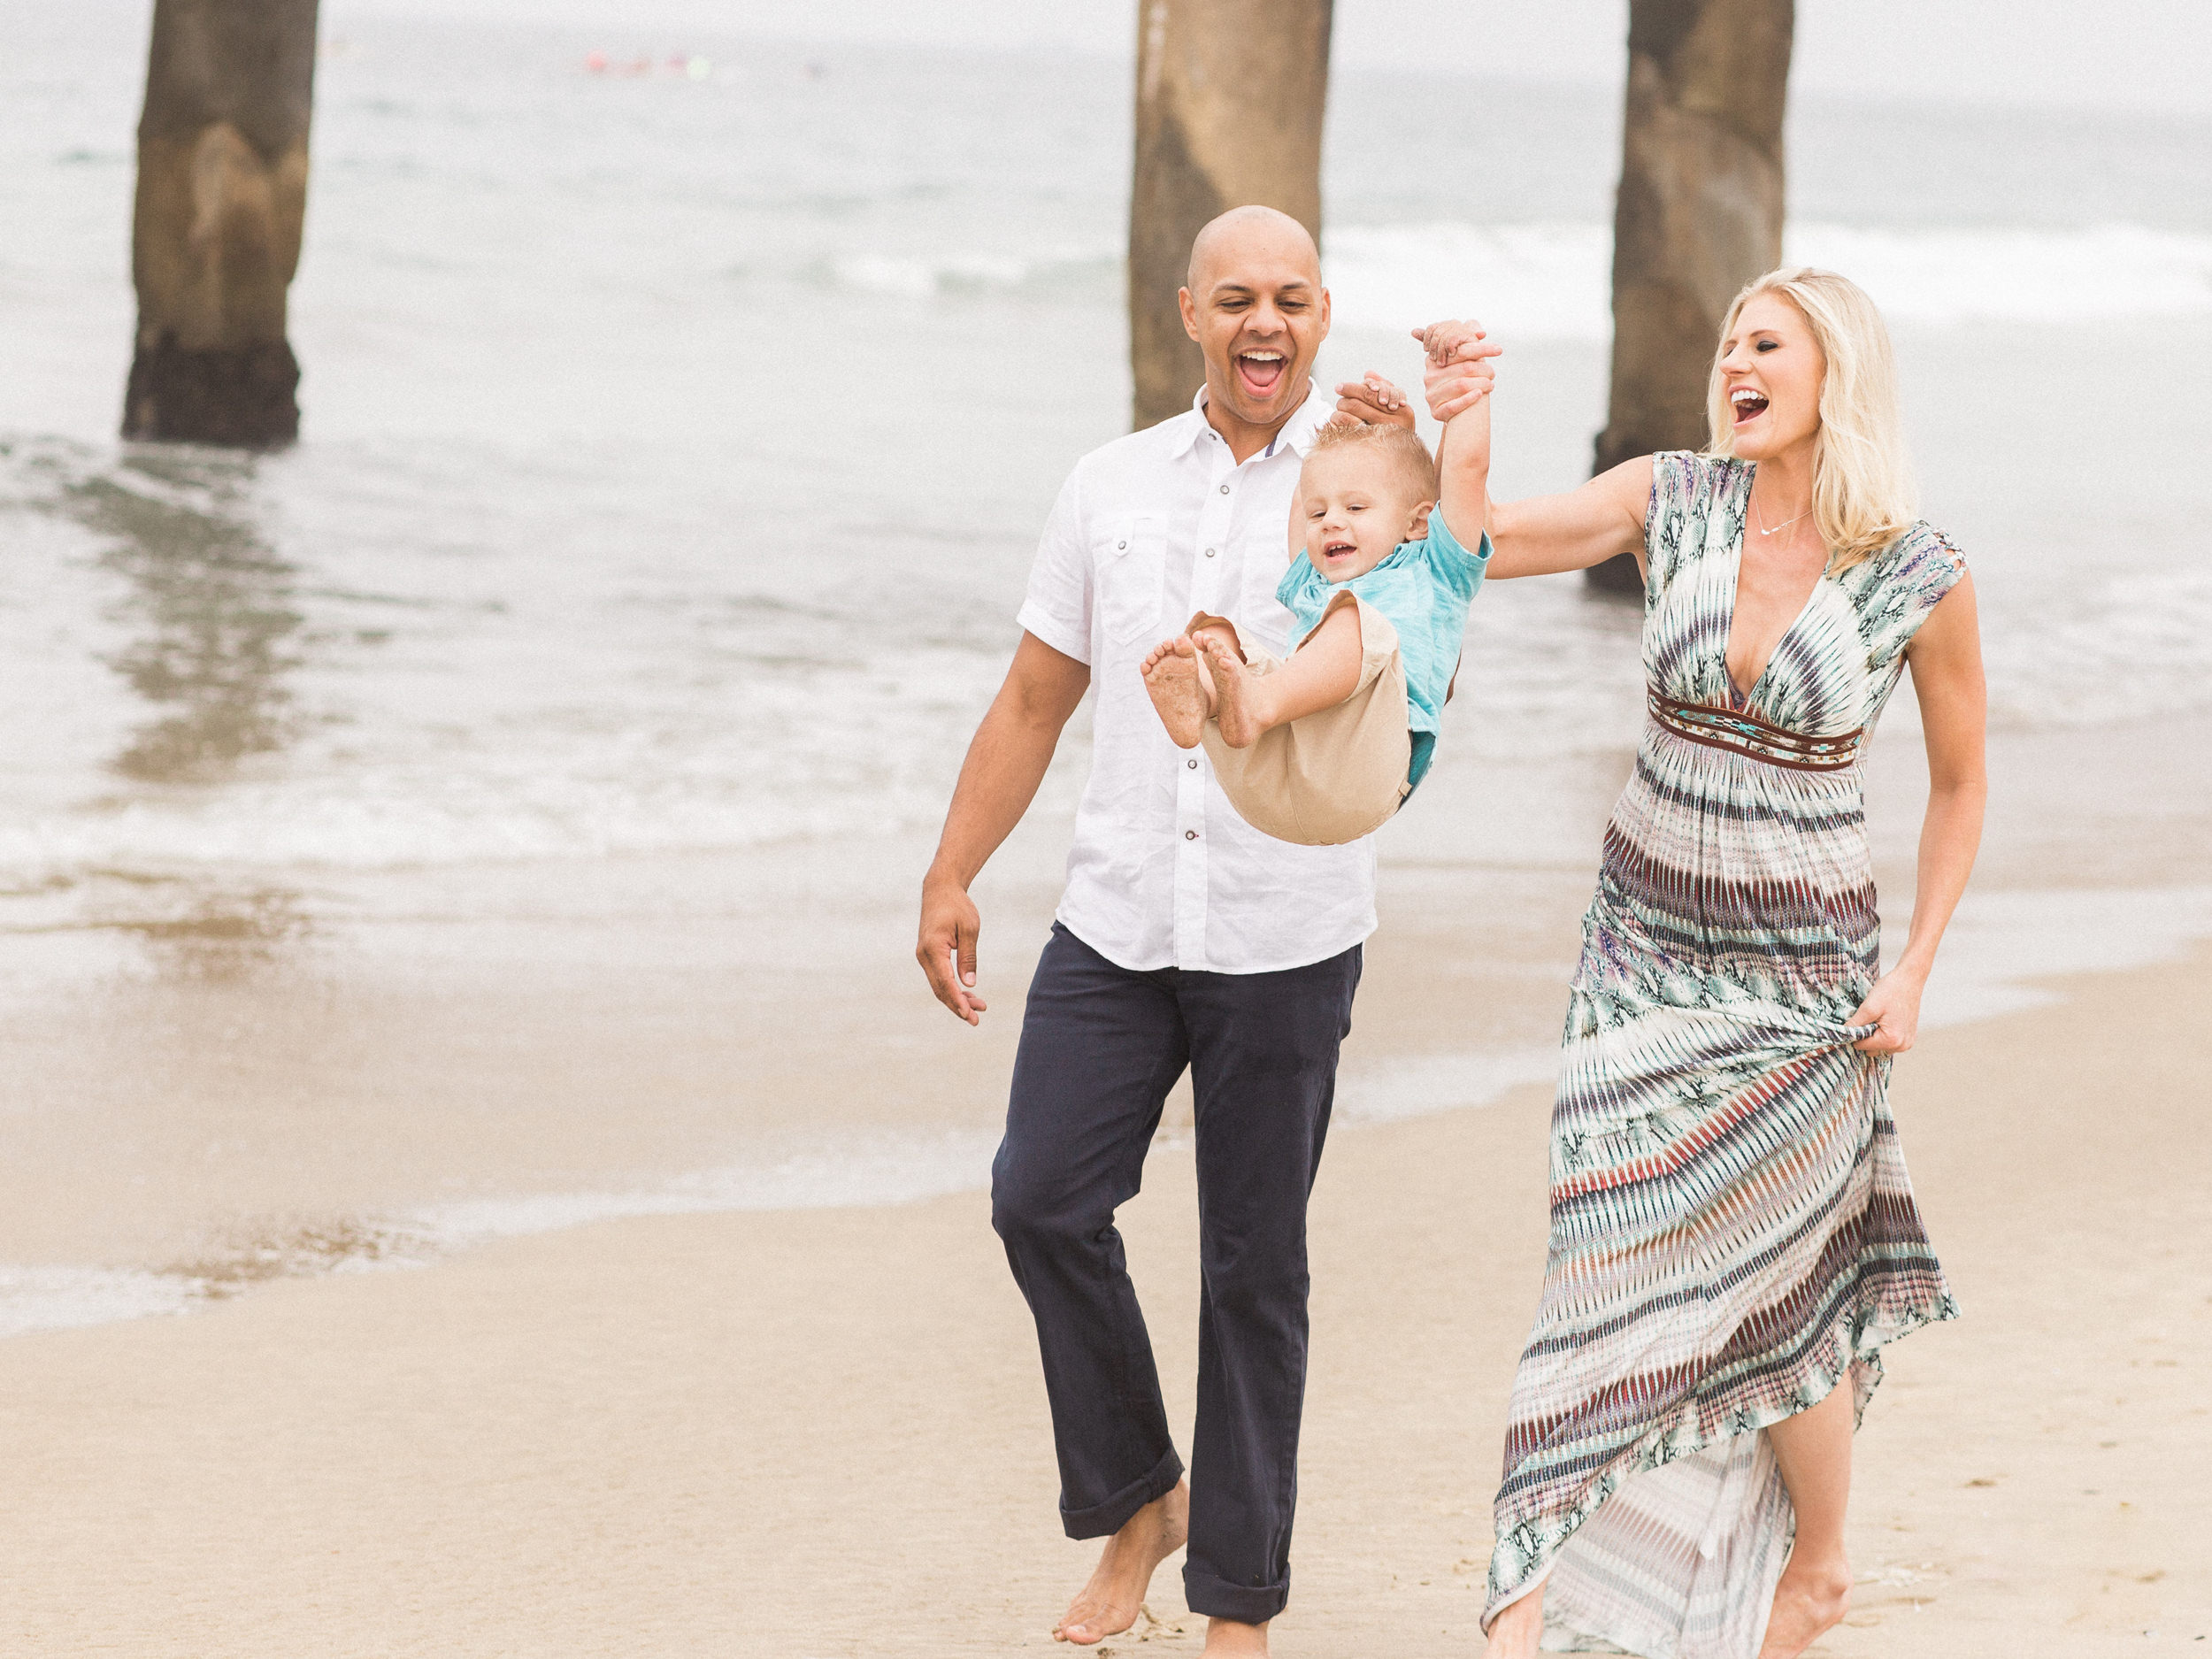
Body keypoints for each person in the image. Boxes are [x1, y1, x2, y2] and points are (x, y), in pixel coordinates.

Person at [1421, 268, 1986, 1659]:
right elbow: (1478, 542)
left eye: (1767, 341)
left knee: (1782, 1283)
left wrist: (1913, 967)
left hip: (1806, 988)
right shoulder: (1668, 497)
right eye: (1730, 338)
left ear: (1830, 372)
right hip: (1642, 962)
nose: (1735, 357)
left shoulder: (1917, 569)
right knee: (1597, 1271)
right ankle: (1526, 1604)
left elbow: (1964, 785)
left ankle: (1822, 1567)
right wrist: (1460, 420)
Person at [914, 205, 1428, 1658]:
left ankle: (1238, 1607)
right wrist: (954, 872)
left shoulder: (1365, 479)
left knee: (1253, 1267)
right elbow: (1035, 696)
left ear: (1325, 315)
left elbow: (1456, 557)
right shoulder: (1109, 483)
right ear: (1190, 312)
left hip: (1289, 927)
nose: (1265, 324)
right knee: (1040, 1199)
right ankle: (1145, 1500)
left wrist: (1448, 414)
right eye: (1237, 300)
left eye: (1292, 300)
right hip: (1118, 915)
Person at [1138, 319, 1494, 847]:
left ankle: (1252, 702)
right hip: (1273, 782)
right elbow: (1306, 501)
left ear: (1418, 521)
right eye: (1320, 513)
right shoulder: (1315, 580)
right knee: (1221, 639)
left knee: (1354, 620)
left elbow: (1466, 468)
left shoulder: (1435, 567)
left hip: (1365, 773)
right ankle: (1206, 696)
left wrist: (1464, 378)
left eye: (1355, 507)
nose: (1331, 521)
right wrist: (1333, 433)